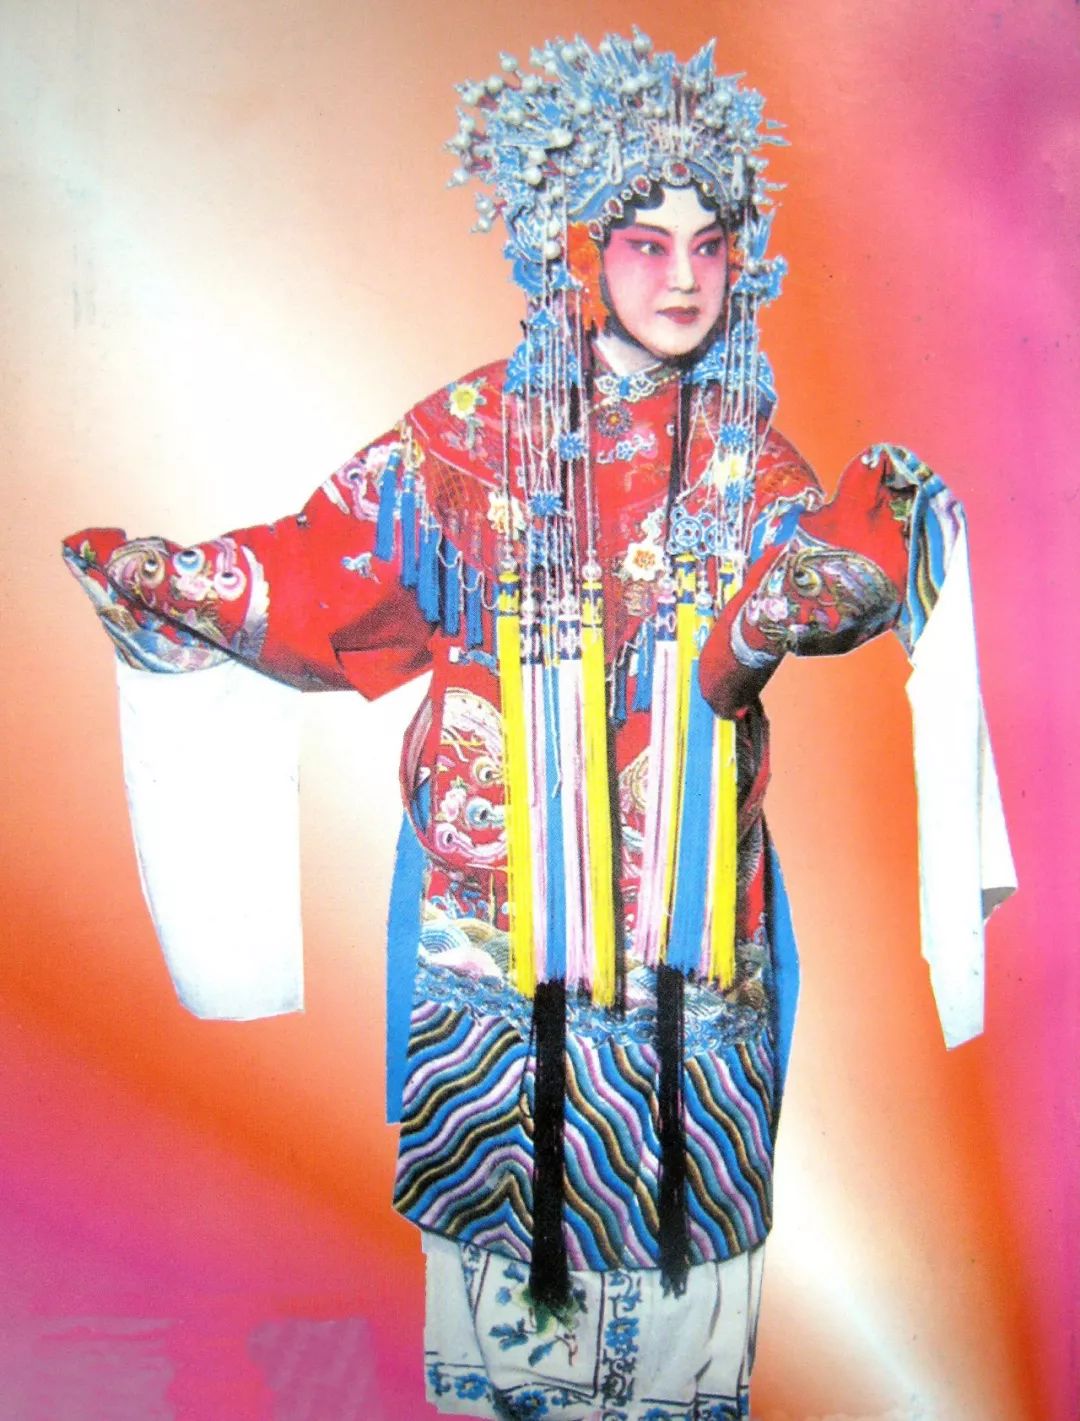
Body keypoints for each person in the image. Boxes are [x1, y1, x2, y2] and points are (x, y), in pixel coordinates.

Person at [62, 30, 1015, 1421]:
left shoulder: (749, 454)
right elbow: (327, 579)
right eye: (645, 242)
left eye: (711, 245)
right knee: (503, 1264)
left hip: (689, 924)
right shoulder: (462, 439)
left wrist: (853, 555)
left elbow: (799, 594)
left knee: (686, 1271)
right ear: (574, 250)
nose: (683, 277)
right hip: (490, 921)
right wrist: (187, 579)